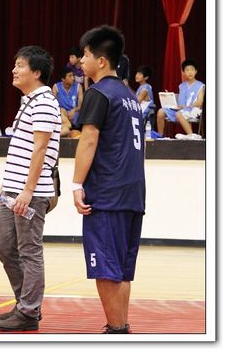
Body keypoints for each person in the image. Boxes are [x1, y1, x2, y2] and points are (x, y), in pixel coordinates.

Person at [71, 25, 146, 335]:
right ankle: (121, 327)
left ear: (101, 61)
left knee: (105, 268)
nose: (81, 61)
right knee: (122, 271)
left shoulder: (99, 93)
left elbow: (88, 139)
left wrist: (76, 184)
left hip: (107, 194)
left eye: (85, 55)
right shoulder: (131, 97)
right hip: (133, 194)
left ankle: (116, 332)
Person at [0, 45, 61, 331]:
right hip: (14, 189)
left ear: (37, 72)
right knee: (4, 247)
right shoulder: (30, 101)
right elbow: (22, 151)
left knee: (29, 251)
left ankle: (29, 311)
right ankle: (26, 305)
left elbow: (40, 149)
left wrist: (28, 191)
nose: (14, 70)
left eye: (20, 65)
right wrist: (5, 185)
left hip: (31, 193)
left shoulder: (44, 102)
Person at [156, 59, 205, 140]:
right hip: (180, 109)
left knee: (179, 114)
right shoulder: (182, 86)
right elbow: (180, 99)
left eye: (192, 70)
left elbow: (199, 102)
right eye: (187, 70)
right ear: (183, 72)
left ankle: (191, 135)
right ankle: (160, 136)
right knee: (161, 112)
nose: (190, 72)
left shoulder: (200, 85)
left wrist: (186, 106)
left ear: (196, 71)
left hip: (192, 109)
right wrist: (170, 96)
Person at [52, 66, 83, 137]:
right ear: (63, 79)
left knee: (77, 116)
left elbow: (80, 106)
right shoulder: (56, 87)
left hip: (74, 113)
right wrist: (63, 111)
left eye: (73, 75)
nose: (73, 78)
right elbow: (53, 105)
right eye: (70, 76)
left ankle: (67, 128)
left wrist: (74, 110)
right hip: (62, 113)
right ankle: (67, 126)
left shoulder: (78, 87)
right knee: (60, 112)